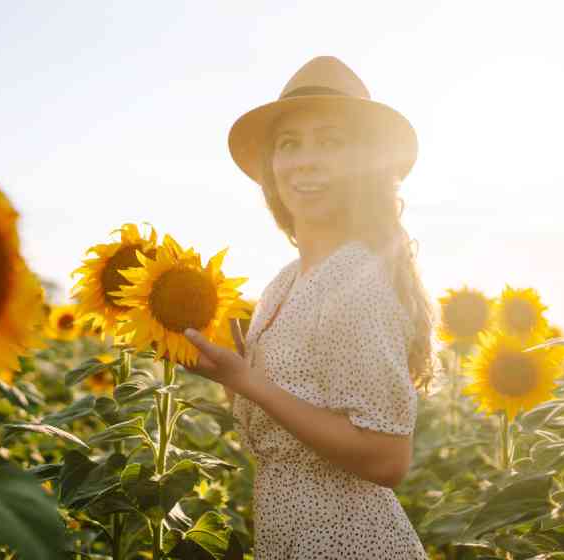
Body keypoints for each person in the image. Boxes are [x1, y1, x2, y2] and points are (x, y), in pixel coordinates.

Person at [184, 55, 436, 559]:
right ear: (271, 169)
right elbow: (293, 412)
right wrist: (223, 369)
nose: (305, 160)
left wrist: (246, 381)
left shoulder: (355, 278)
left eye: (330, 142)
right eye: (289, 144)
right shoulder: (284, 283)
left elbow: (387, 458)